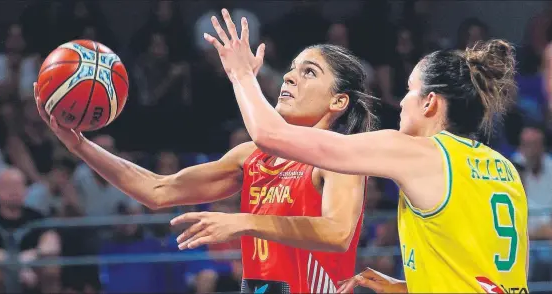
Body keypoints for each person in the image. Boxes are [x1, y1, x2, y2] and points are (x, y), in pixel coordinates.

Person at [33, 15, 377, 294]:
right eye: (292, 68)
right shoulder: (252, 157)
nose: (289, 77)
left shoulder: (342, 155)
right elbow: (158, 190)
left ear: (338, 101)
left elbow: (337, 233)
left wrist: (242, 222)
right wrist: (78, 144)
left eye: (308, 72)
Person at [203, 10, 529, 293]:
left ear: (430, 102)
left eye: (410, 91)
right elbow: (491, 274)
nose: (401, 102)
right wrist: (408, 286)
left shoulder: (415, 151)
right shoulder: (504, 167)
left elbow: (269, 135)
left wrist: (241, 74)